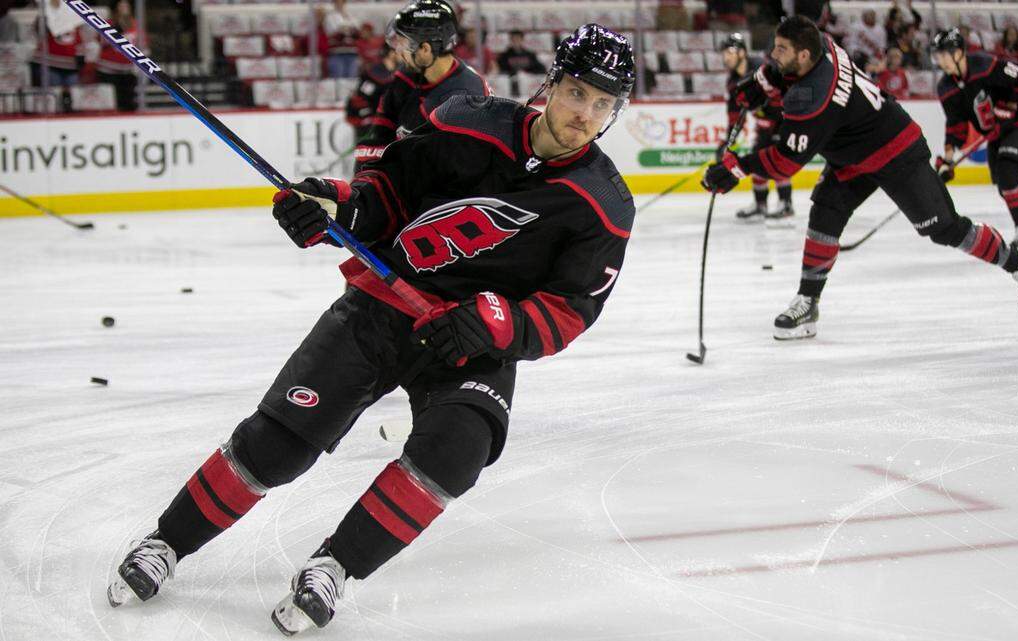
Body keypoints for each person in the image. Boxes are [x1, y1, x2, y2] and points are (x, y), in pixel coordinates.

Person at [105, 23, 638, 636]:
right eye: (577, 93)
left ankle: (333, 567)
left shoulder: (603, 201)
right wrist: (333, 209)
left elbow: (571, 309)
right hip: (381, 307)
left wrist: (495, 322)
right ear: (552, 85)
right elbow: (385, 190)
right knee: (278, 445)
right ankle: (166, 543)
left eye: (603, 104)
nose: (585, 114)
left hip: (468, 343)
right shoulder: (466, 119)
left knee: (459, 451)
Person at [702, 17, 1018, 341]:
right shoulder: (820, 44)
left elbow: (786, 162)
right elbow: (787, 65)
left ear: (805, 54)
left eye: (781, 50)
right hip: (853, 155)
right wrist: (760, 82)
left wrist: (735, 168)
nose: (773, 55)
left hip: (895, 150)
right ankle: (808, 301)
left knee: (945, 228)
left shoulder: (813, 97)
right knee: (825, 211)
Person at [933, 28, 1018, 250]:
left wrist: (1011, 104)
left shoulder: (986, 65)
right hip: (996, 133)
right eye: (937, 56)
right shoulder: (946, 88)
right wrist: (948, 158)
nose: (940, 60)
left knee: (1007, 171)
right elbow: (956, 126)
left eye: (944, 54)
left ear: (958, 53)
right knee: (1006, 187)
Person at [352, 0, 488, 168]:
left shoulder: (464, 96)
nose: (398, 50)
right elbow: (377, 137)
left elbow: (446, 171)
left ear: (425, 49)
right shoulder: (406, 77)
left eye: (403, 43)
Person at [719, 32, 793, 219]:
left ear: (742, 53)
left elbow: (784, 90)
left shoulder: (762, 67)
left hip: (783, 121)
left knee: (777, 160)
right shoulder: (732, 81)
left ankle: (786, 204)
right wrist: (728, 142)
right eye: (724, 53)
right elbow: (735, 115)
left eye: (729, 52)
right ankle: (761, 204)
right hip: (764, 125)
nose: (725, 57)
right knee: (757, 158)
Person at [344, 41, 399, 140]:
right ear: (391, 53)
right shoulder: (373, 74)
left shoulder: (401, 72)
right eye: (398, 50)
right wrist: (369, 118)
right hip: (372, 126)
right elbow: (361, 99)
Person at [94, 0, 139, 111]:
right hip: (108, 70)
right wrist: (115, 30)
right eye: (121, 6)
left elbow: (141, 43)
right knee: (111, 103)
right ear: (116, 8)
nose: (124, 9)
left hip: (128, 70)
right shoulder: (108, 23)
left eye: (126, 6)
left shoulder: (135, 23)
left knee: (128, 103)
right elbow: (100, 41)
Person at [324, 0, 360, 78]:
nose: (339, 3)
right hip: (337, 53)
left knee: (352, 80)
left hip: (352, 52)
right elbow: (334, 33)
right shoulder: (330, 17)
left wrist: (345, 30)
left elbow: (356, 32)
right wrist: (346, 30)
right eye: (337, 2)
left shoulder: (351, 16)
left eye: (341, 1)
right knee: (338, 80)